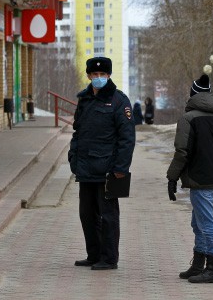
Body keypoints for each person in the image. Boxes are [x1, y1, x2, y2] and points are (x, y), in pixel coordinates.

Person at [68, 56, 136, 271]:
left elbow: (127, 138)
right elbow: (78, 131)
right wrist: (73, 156)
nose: (98, 78)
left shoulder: (119, 101)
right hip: (86, 168)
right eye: (95, 75)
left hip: (110, 170)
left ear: (109, 76)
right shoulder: (85, 99)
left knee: (108, 216)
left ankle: (109, 258)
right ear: (88, 75)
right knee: (87, 214)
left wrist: (121, 169)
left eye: (103, 75)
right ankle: (94, 254)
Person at [167, 74, 213, 284]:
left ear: (192, 95)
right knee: (198, 223)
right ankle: (198, 265)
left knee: (206, 223)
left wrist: (172, 178)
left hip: (199, 179)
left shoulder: (188, 119)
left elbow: (182, 152)